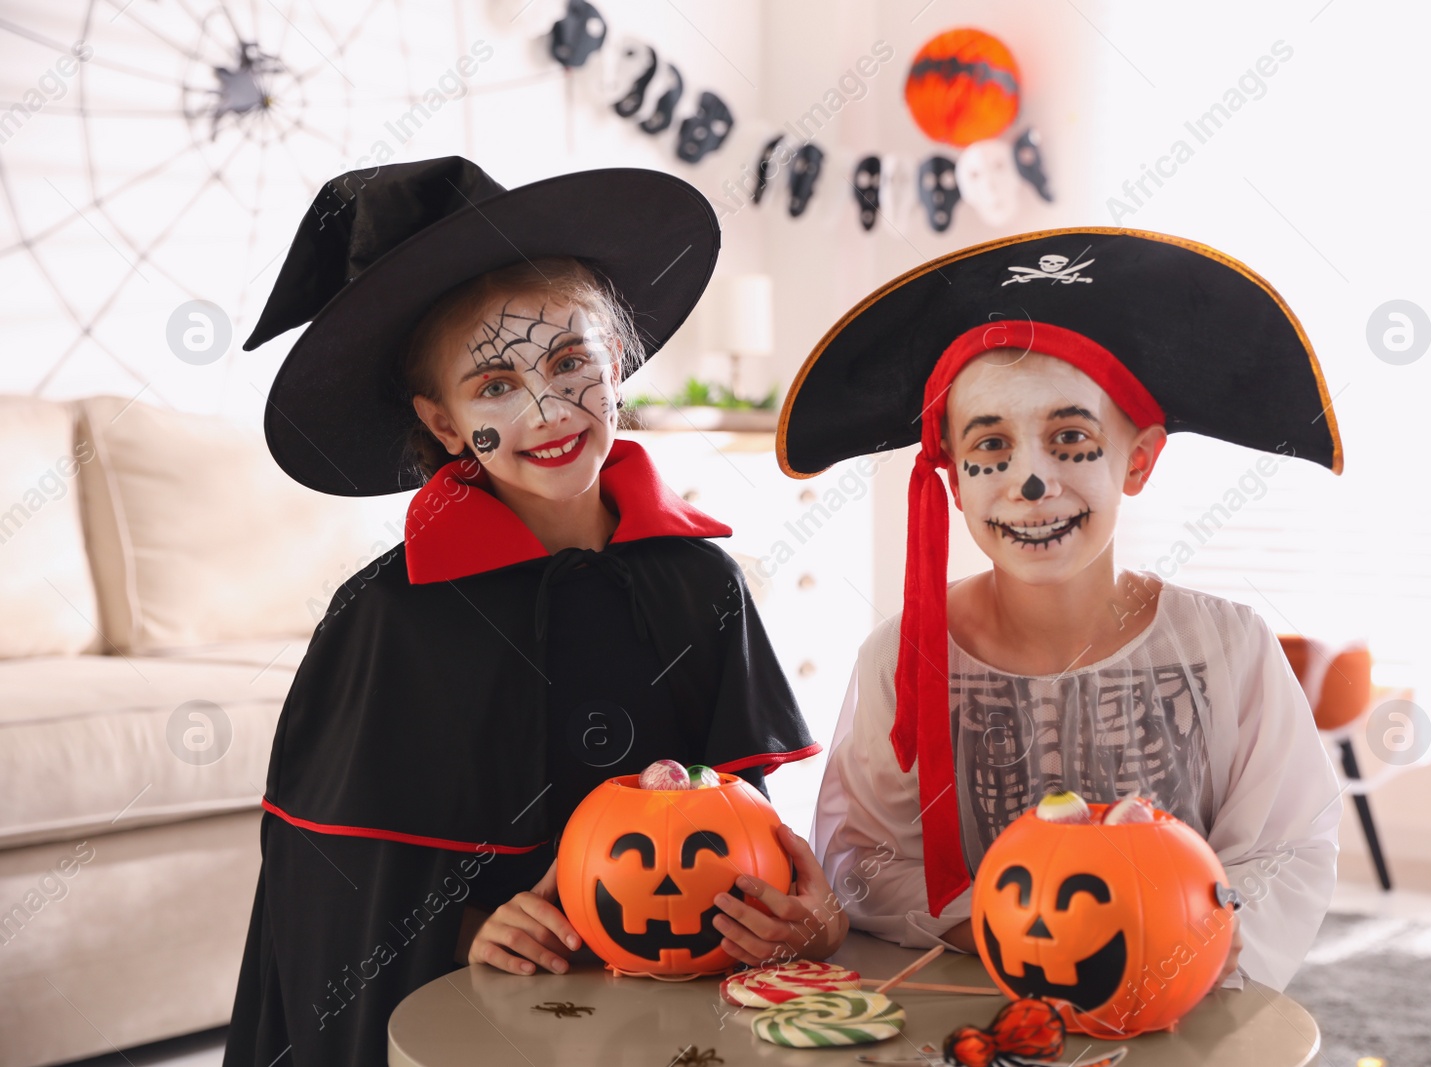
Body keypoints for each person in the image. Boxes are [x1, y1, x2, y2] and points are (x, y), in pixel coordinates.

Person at [222, 157, 845, 1067]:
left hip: (679, 1011)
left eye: (568, 362)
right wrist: (466, 926)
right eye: (495, 387)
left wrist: (806, 909)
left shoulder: (702, 582)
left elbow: (750, 819)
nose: (548, 408)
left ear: (618, 361)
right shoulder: (387, 620)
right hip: (502, 1012)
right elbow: (328, 891)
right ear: (442, 425)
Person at [782, 228, 1346, 997]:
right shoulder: (898, 658)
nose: (1032, 482)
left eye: (1070, 437)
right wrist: (1032, 933)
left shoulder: (1230, 649)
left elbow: (1285, 848)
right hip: (974, 1008)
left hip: (1179, 1005)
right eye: (991, 446)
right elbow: (865, 857)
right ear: (949, 473)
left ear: (1139, 458)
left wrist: (1167, 936)